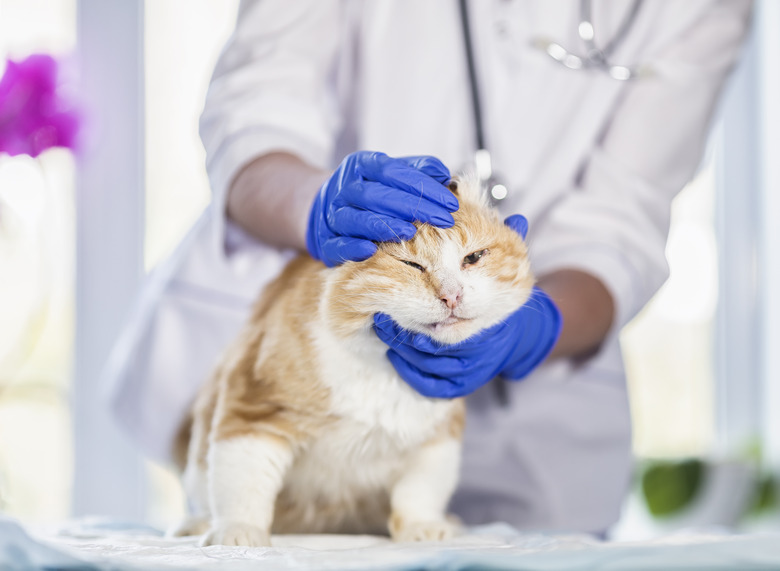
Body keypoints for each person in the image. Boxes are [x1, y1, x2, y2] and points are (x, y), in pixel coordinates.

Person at [106, 0, 752, 535]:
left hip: (536, 443)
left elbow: (619, 222)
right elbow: (254, 111)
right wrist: (316, 206)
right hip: (304, 375)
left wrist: (537, 326)